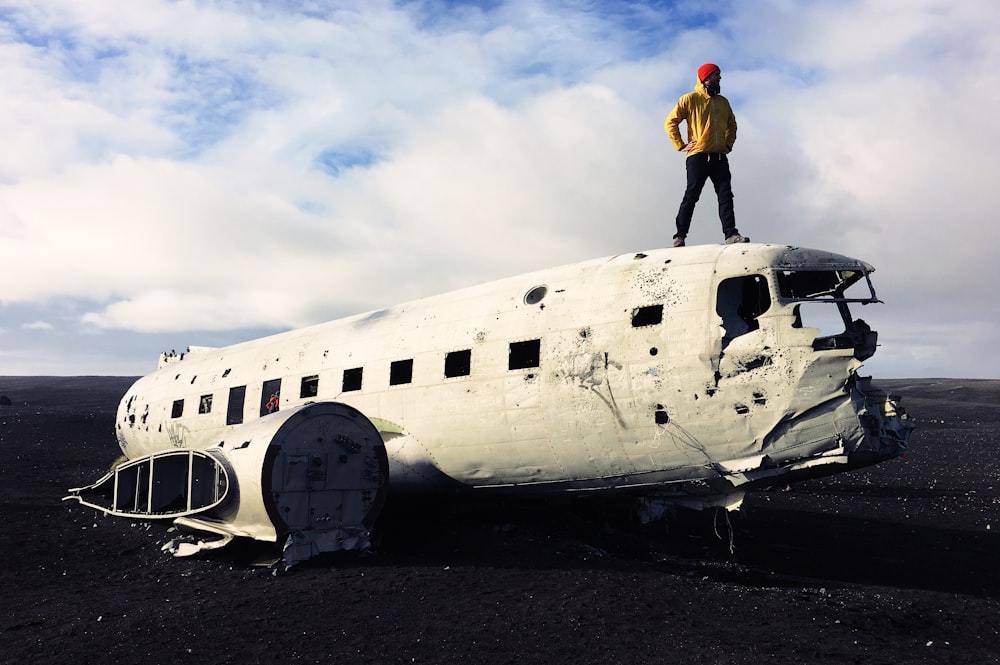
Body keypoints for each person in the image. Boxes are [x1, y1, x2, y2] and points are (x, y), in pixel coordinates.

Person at [664, 63, 748, 247]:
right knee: (692, 194)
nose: (719, 78)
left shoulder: (723, 102)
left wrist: (728, 144)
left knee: (725, 195)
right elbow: (671, 122)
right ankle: (680, 236)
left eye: (719, 74)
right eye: (716, 75)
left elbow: (732, 124)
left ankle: (731, 235)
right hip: (698, 156)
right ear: (705, 78)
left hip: (719, 156)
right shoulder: (690, 99)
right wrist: (681, 145)